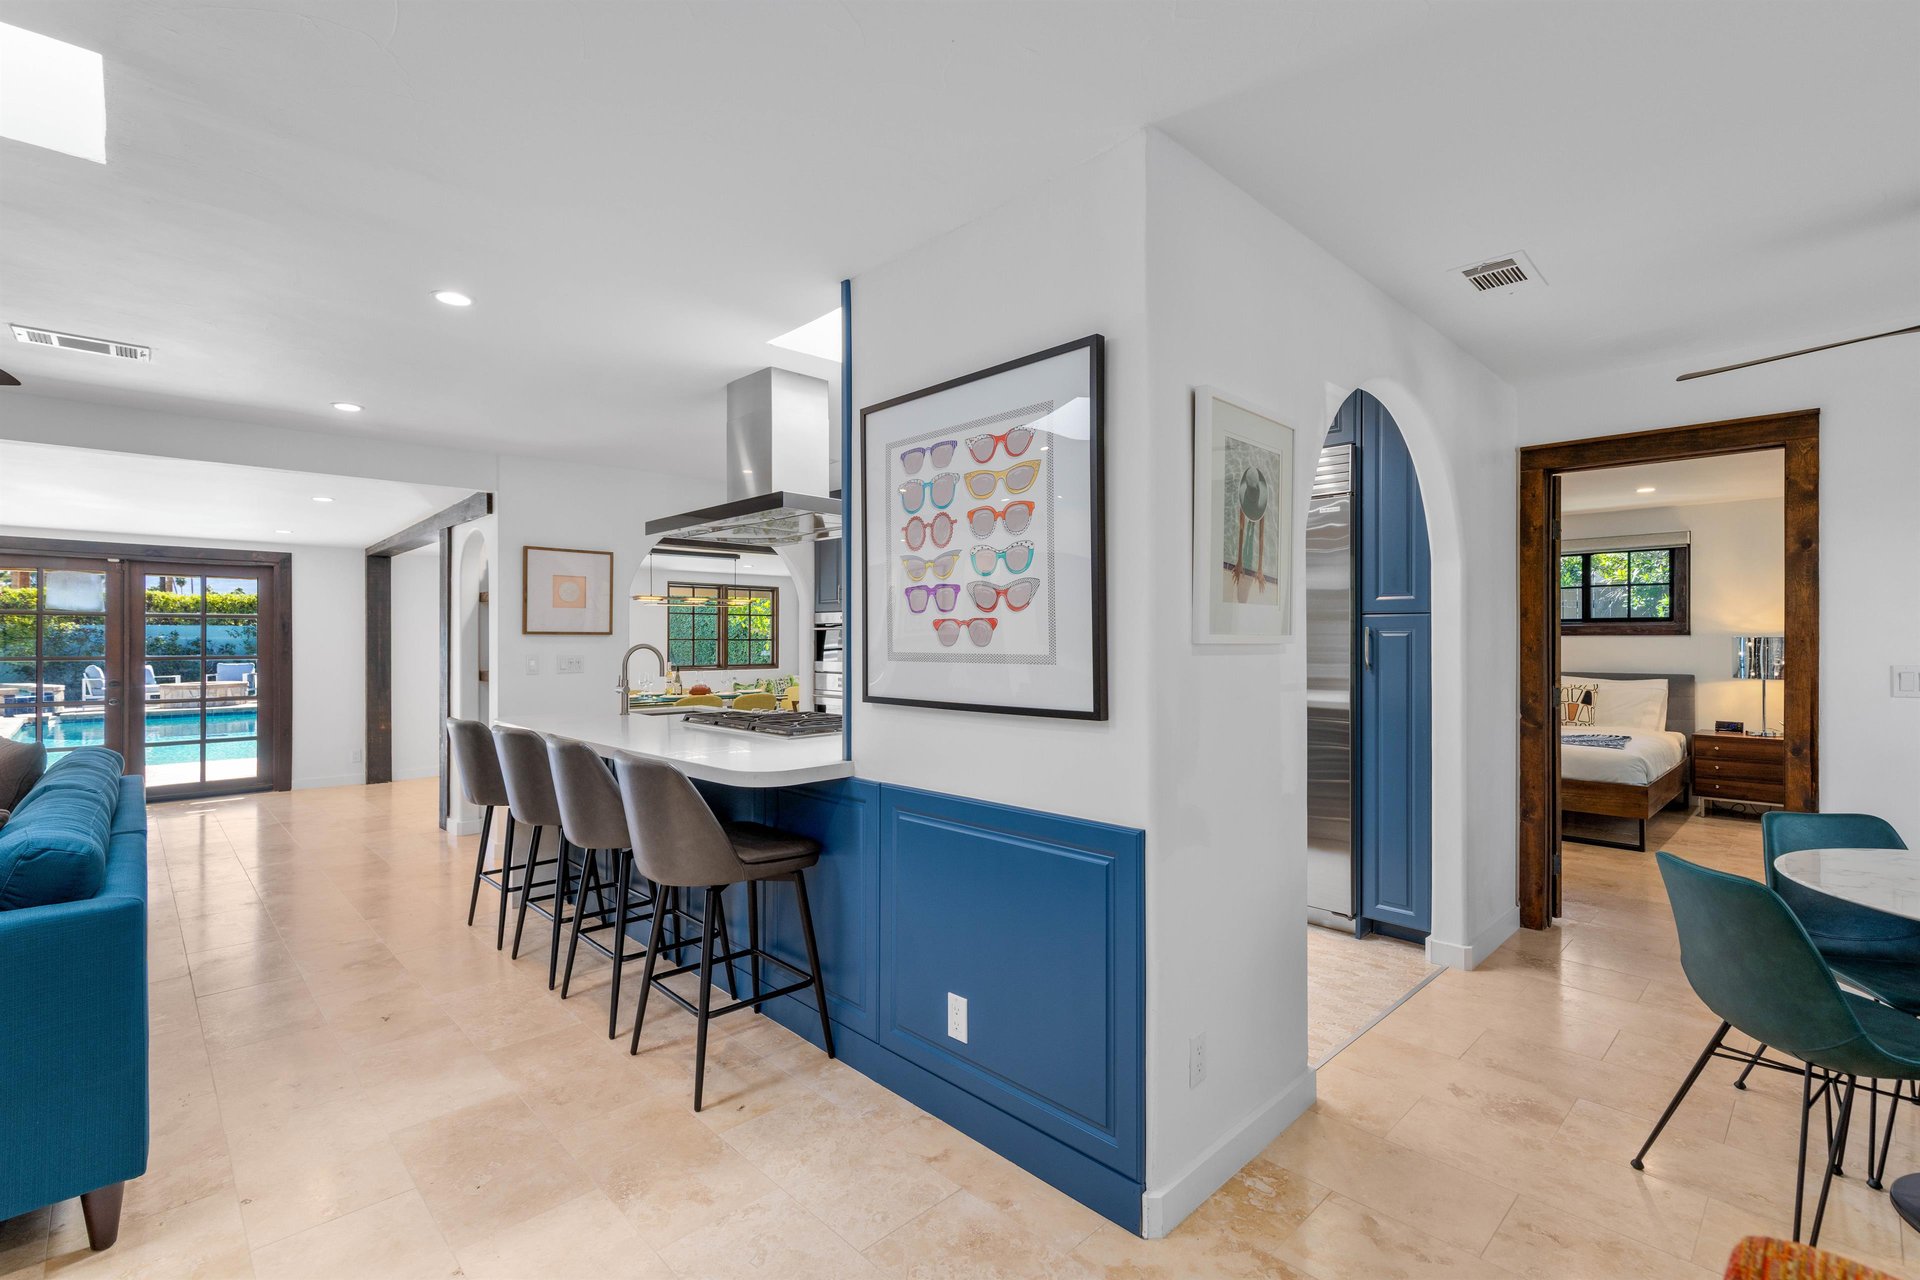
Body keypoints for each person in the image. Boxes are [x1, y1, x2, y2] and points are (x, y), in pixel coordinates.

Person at [1232, 464, 1271, 602]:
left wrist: (1259, 568)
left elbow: (1260, 536)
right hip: (1251, 504)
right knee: (1249, 524)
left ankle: (1253, 518)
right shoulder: (1245, 501)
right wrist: (1239, 561)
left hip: (1253, 504)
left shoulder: (1258, 502)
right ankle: (1253, 518)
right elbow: (1242, 530)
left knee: (1252, 523)